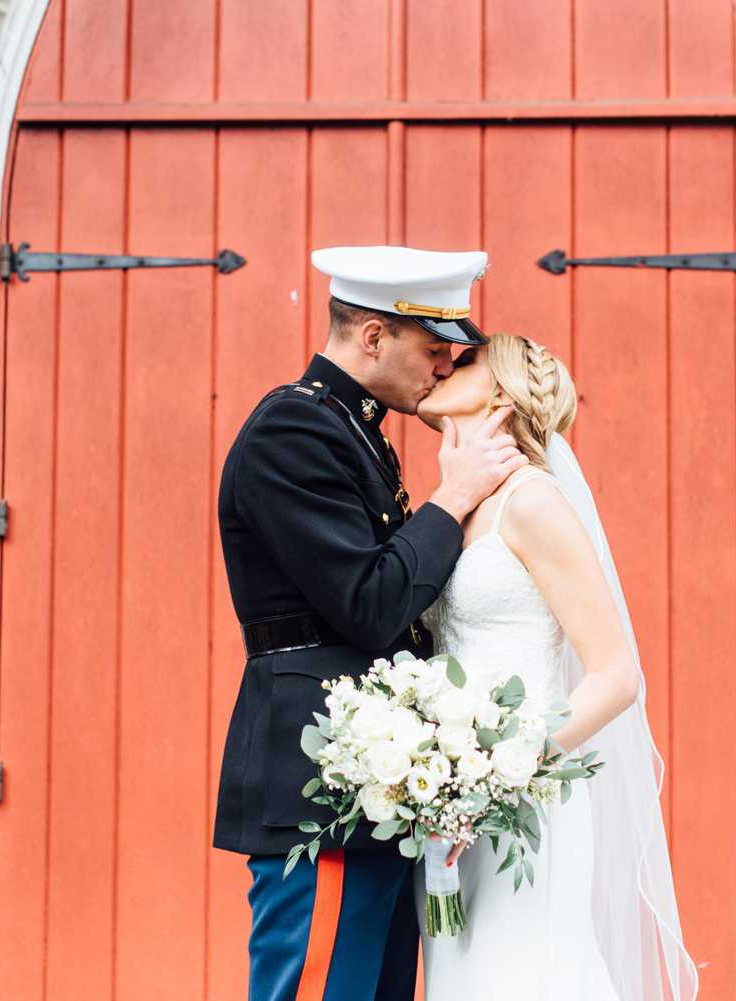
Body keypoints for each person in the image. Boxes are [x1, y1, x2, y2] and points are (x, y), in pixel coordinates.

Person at [212, 245, 529, 1001]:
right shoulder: (292, 432)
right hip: (318, 783)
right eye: (433, 346)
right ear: (374, 338)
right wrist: (453, 499)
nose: (445, 365)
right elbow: (371, 602)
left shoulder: (355, 432)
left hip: (375, 786)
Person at [413, 333, 699, 1001]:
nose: (445, 364)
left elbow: (615, 674)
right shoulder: (459, 505)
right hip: (454, 813)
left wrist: (495, 779)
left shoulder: (533, 502)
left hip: (523, 807)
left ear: (502, 393)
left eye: (468, 360)